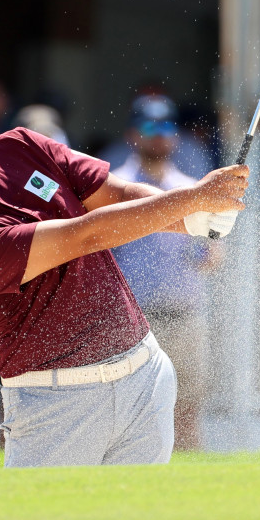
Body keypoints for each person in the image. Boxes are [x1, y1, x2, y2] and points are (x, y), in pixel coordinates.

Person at [0, 104, 247, 466]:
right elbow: (86, 234)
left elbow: (115, 196)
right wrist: (194, 200)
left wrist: (195, 221)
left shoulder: (18, 145)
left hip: (143, 376)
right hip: (53, 403)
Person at [110, 101, 218, 450]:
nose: (158, 136)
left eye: (165, 128)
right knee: (130, 409)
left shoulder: (190, 188)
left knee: (187, 406)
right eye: (149, 128)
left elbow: (213, 255)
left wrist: (210, 247)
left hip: (185, 315)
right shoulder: (115, 186)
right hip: (132, 319)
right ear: (132, 134)